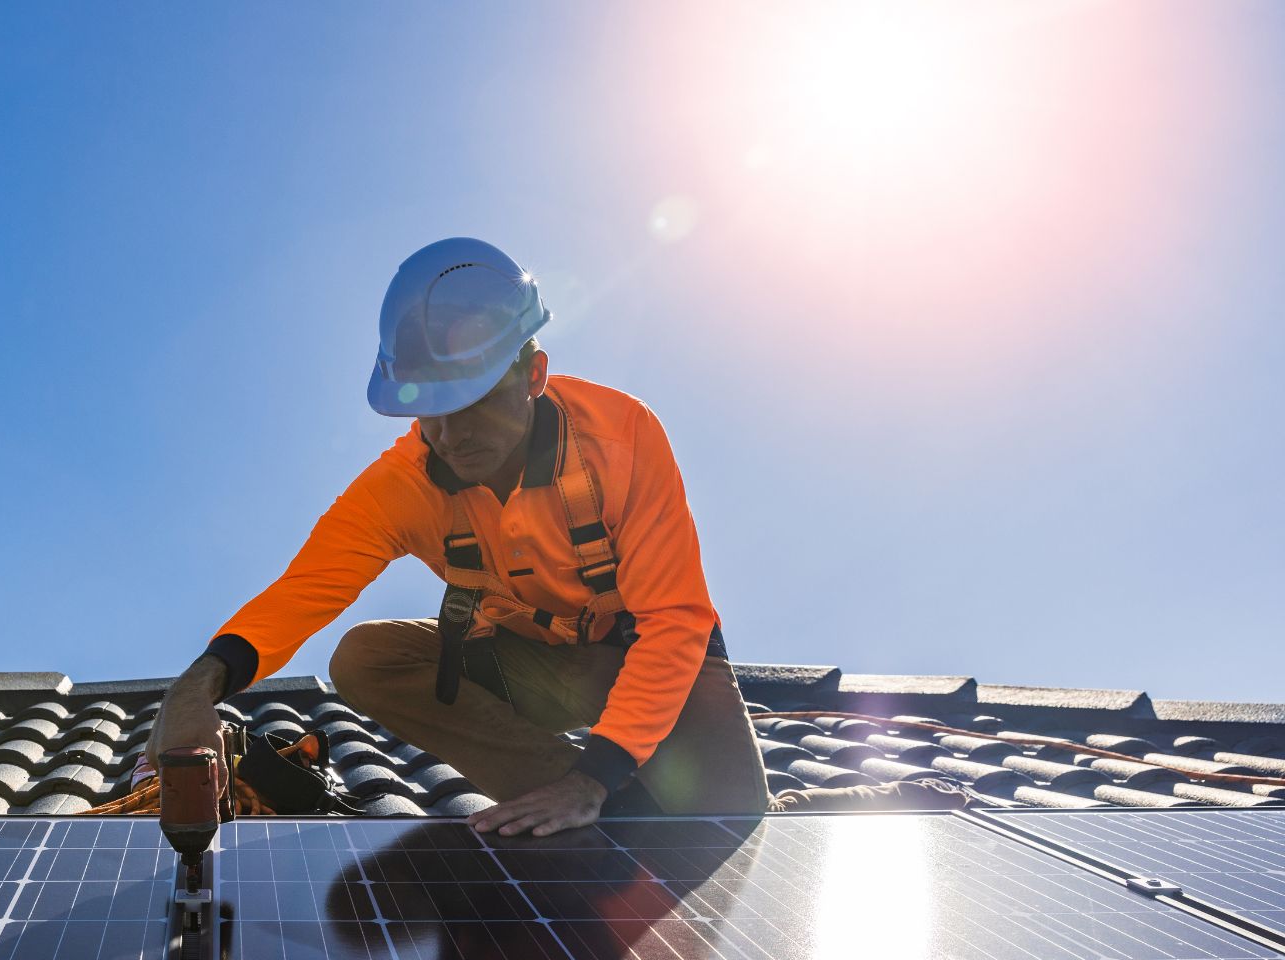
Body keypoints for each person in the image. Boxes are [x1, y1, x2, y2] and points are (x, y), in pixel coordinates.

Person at [148, 238, 956, 837]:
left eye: (474, 403)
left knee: (739, 827)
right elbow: (304, 593)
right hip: (525, 663)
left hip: (648, 664)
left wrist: (599, 773)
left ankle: (641, 800)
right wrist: (200, 686)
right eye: (431, 407)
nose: (450, 433)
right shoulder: (402, 485)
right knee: (364, 654)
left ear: (532, 377)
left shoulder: (624, 437)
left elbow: (676, 622)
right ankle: (601, 808)